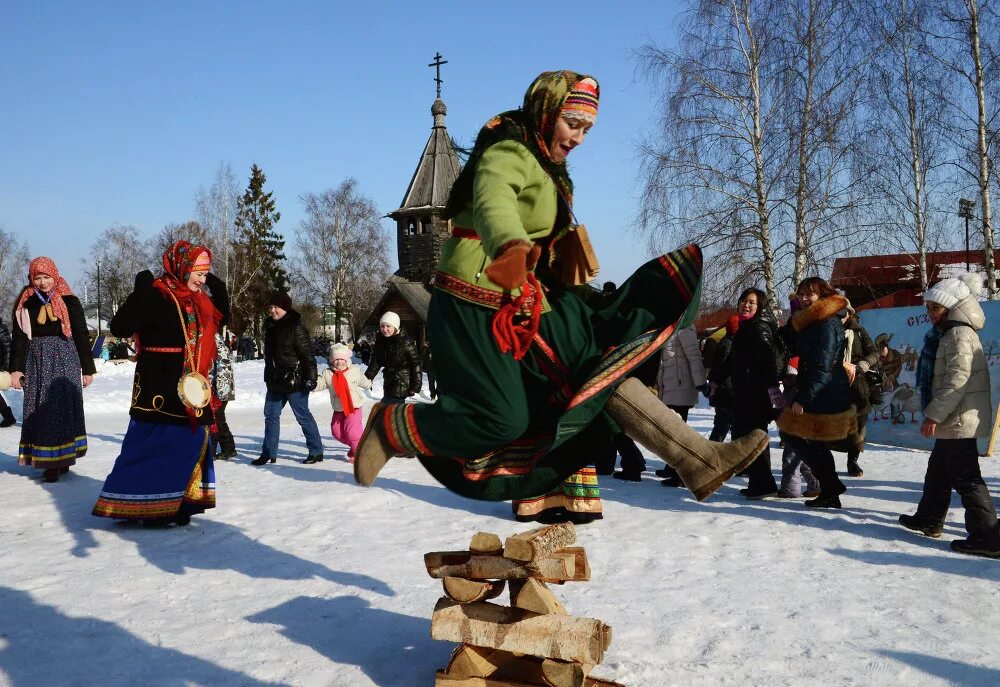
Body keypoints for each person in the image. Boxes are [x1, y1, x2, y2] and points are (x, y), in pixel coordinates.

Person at [354, 70, 767, 503]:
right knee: (502, 420)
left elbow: (535, 229)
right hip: (474, 298)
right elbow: (496, 200)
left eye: (587, 129)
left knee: (599, 367)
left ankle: (697, 459)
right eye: (574, 124)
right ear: (546, 113)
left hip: (526, 299)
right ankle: (393, 426)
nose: (580, 137)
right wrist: (511, 246)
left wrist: (559, 253)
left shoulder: (547, 166)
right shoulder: (508, 151)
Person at [93, 241, 228, 525]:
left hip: (189, 385)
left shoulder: (199, 299)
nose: (202, 280)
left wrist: (220, 290)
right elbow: (120, 327)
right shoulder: (156, 294)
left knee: (190, 443)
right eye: (198, 273)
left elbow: (221, 319)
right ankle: (141, 503)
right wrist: (139, 292)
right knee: (152, 446)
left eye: (205, 275)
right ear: (181, 268)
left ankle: (178, 503)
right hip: (157, 383)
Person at [899, 273, 1000, 558]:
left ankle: (988, 536)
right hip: (955, 416)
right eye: (928, 307)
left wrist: (933, 415)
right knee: (939, 470)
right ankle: (929, 519)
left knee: (966, 477)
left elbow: (957, 380)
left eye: (935, 308)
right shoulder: (951, 332)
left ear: (951, 307)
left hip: (957, 417)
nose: (930, 313)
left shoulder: (958, 334)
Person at [9, 257, 95, 482]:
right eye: (37, 277)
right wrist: (16, 369)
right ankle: (50, 458)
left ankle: (59, 460)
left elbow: (80, 334)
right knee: (39, 407)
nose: (42, 282)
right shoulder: (26, 301)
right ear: (31, 278)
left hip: (65, 357)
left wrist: (87, 368)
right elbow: (19, 338)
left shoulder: (69, 300)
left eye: (46, 277)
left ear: (54, 275)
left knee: (60, 406)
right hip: (36, 360)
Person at [776, 277, 854, 508]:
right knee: (809, 440)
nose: (804, 298)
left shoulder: (827, 323)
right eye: (801, 294)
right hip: (817, 387)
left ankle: (831, 487)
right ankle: (831, 489)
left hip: (823, 390)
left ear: (823, 295)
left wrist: (804, 397)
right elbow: (789, 342)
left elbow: (823, 366)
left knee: (796, 436)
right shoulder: (810, 321)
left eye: (810, 294)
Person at [723, 288, 783, 499]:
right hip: (748, 391)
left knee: (754, 437)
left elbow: (767, 361)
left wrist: (772, 391)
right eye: (743, 301)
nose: (745, 305)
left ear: (760, 307)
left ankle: (763, 484)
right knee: (753, 437)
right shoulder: (747, 326)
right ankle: (762, 482)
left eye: (751, 302)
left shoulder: (758, 328)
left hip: (755, 394)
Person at [255, 291, 323, 465]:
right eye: (271, 307)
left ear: (285, 307)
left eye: (276, 307)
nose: (273, 310)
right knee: (270, 415)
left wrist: (311, 377)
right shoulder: (270, 326)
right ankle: (269, 452)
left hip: (295, 380)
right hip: (275, 380)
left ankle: (316, 451)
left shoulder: (296, 327)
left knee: (302, 415)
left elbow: (307, 355)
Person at [656, 325, 707, 487]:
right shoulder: (668, 326)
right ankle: (672, 467)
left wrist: (700, 383)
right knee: (671, 431)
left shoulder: (685, 327)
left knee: (677, 433)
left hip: (681, 386)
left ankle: (683, 473)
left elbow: (694, 356)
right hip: (669, 387)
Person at [830, 303, 878, 478]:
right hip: (833, 383)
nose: (839, 315)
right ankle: (823, 464)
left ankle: (853, 461)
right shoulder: (827, 329)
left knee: (859, 424)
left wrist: (862, 365)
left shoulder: (859, 331)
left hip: (857, 383)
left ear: (850, 313)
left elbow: (874, 352)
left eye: (843, 312)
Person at [326, 342, 372, 462]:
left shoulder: (354, 370)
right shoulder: (328, 373)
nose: (339, 362)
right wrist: (311, 384)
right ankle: (357, 444)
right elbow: (319, 383)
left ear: (347, 360)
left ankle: (358, 451)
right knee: (336, 432)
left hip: (353, 407)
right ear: (331, 360)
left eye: (342, 359)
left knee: (352, 432)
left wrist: (368, 384)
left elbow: (363, 381)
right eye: (336, 359)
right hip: (338, 409)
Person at [364, 312, 422, 403]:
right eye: (382, 326)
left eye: (388, 326)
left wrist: (416, 385)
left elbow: (415, 364)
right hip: (388, 381)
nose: (385, 329)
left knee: (388, 408)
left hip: (402, 381)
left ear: (395, 327)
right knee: (388, 411)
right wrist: (367, 378)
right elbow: (375, 362)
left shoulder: (406, 343)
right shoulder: (381, 342)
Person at [707, 315, 740, 443]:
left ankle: (711, 455)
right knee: (731, 426)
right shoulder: (730, 345)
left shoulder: (725, 342)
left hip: (723, 391)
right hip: (728, 392)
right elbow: (723, 370)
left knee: (721, 426)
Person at [211, 332, 237, 459]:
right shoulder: (212, 341)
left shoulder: (217, 344)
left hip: (220, 389)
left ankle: (220, 449)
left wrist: (220, 392)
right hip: (214, 388)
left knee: (216, 418)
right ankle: (227, 448)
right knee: (217, 418)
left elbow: (223, 369)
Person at [0, 316, 17, 427]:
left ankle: (8, 417)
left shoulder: (0, 328)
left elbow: (8, 347)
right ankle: (8, 417)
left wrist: (7, 367)